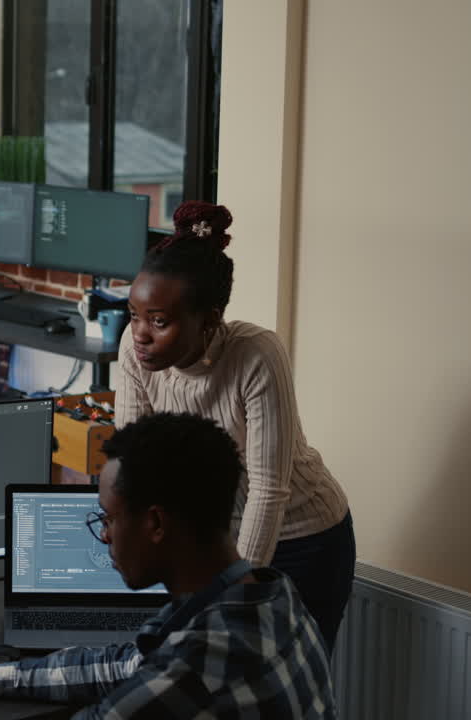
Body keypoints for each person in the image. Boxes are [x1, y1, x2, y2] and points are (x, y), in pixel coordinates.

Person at [0, 413, 336, 720]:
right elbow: (123, 664)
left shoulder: (195, 666)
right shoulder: (268, 595)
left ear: (155, 522)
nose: (103, 535)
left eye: (107, 517)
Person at [114, 201, 354, 650]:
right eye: (134, 314)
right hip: (215, 538)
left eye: (159, 321)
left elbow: (268, 489)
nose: (141, 333)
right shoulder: (135, 348)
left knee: (284, 684)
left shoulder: (256, 355)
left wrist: (230, 593)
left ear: (209, 321)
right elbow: (134, 461)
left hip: (302, 538)